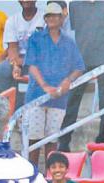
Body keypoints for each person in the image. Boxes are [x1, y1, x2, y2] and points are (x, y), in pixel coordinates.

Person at [24, 2, 84, 164]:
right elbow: (31, 65)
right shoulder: (36, 38)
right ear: (45, 18)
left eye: (55, 16)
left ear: (61, 19)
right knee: (34, 139)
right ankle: (33, 172)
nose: (52, 19)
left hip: (59, 97)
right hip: (37, 95)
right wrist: (44, 86)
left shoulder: (68, 42)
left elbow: (79, 67)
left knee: (52, 139)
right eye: (49, 16)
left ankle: (49, 174)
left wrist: (67, 81)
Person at [58, 1, 104, 151]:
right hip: (80, 61)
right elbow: (75, 31)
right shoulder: (74, 6)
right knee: (71, 103)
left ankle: (102, 141)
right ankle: (64, 142)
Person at [0, 0, 44, 95]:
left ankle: (37, 101)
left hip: (40, 60)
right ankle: (15, 100)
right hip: (19, 59)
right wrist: (15, 65)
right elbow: (12, 48)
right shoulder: (12, 20)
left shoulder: (45, 18)